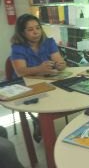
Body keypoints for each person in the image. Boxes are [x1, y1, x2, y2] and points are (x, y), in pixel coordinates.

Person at [10, 13, 66, 143]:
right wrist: (39, 69)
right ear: (22, 33)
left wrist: (61, 65)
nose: (36, 32)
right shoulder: (17, 47)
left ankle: (42, 121)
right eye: (30, 29)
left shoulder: (49, 42)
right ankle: (40, 121)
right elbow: (20, 72)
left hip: (48, 83)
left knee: (63, 96)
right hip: (25, 86)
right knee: (40, 105)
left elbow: (59, 62)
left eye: (37, 28)